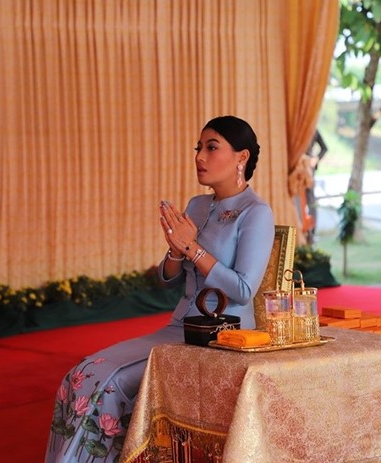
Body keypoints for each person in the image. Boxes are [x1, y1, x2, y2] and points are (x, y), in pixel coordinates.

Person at [45, 116, 275, 462]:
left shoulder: (256, 213)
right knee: (83, 373)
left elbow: (242, 290)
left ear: (241, 157)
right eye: (199, 148)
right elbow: (167, 276)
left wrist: (193, 249)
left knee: (111, 383)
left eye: (212, 148)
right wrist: (174, 249)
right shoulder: (197, 205)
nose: (200, 156)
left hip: (222, 336)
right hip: (181, 327)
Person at [304, 130, 327, 244]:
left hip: (308, 170)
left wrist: (315, 159)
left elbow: (324, 148)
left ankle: (312, 233)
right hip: (296, 169)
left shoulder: (312, 129)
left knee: (311, 201)